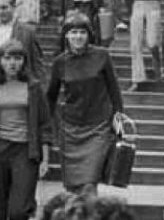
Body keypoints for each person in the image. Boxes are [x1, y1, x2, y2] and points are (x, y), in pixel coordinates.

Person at [0, 38, 52, 220]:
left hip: (25, 150)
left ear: (24, 61)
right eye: (7, 58)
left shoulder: (34, 87)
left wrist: (45, 159)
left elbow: (45, 125)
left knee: (19, 209)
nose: (12, 63)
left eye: (17, 58)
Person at [47, 11, 125, 195]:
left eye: (82, 32)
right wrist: (48, 126)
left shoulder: (102, 55)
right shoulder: (59, 62)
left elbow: (114, 89)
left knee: (90, 182)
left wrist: (118, 115)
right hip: (70, 129)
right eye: (73, 32)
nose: (78, 37)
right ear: (66, 35)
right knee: (73, 186)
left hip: (98, 126)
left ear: (89, 34)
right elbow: (50, 96)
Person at [0, 0, 44, 83]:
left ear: (13, 7)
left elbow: (37, 63)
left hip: (21, 84)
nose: (1, 12)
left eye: (4, 8)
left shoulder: (28, 31)